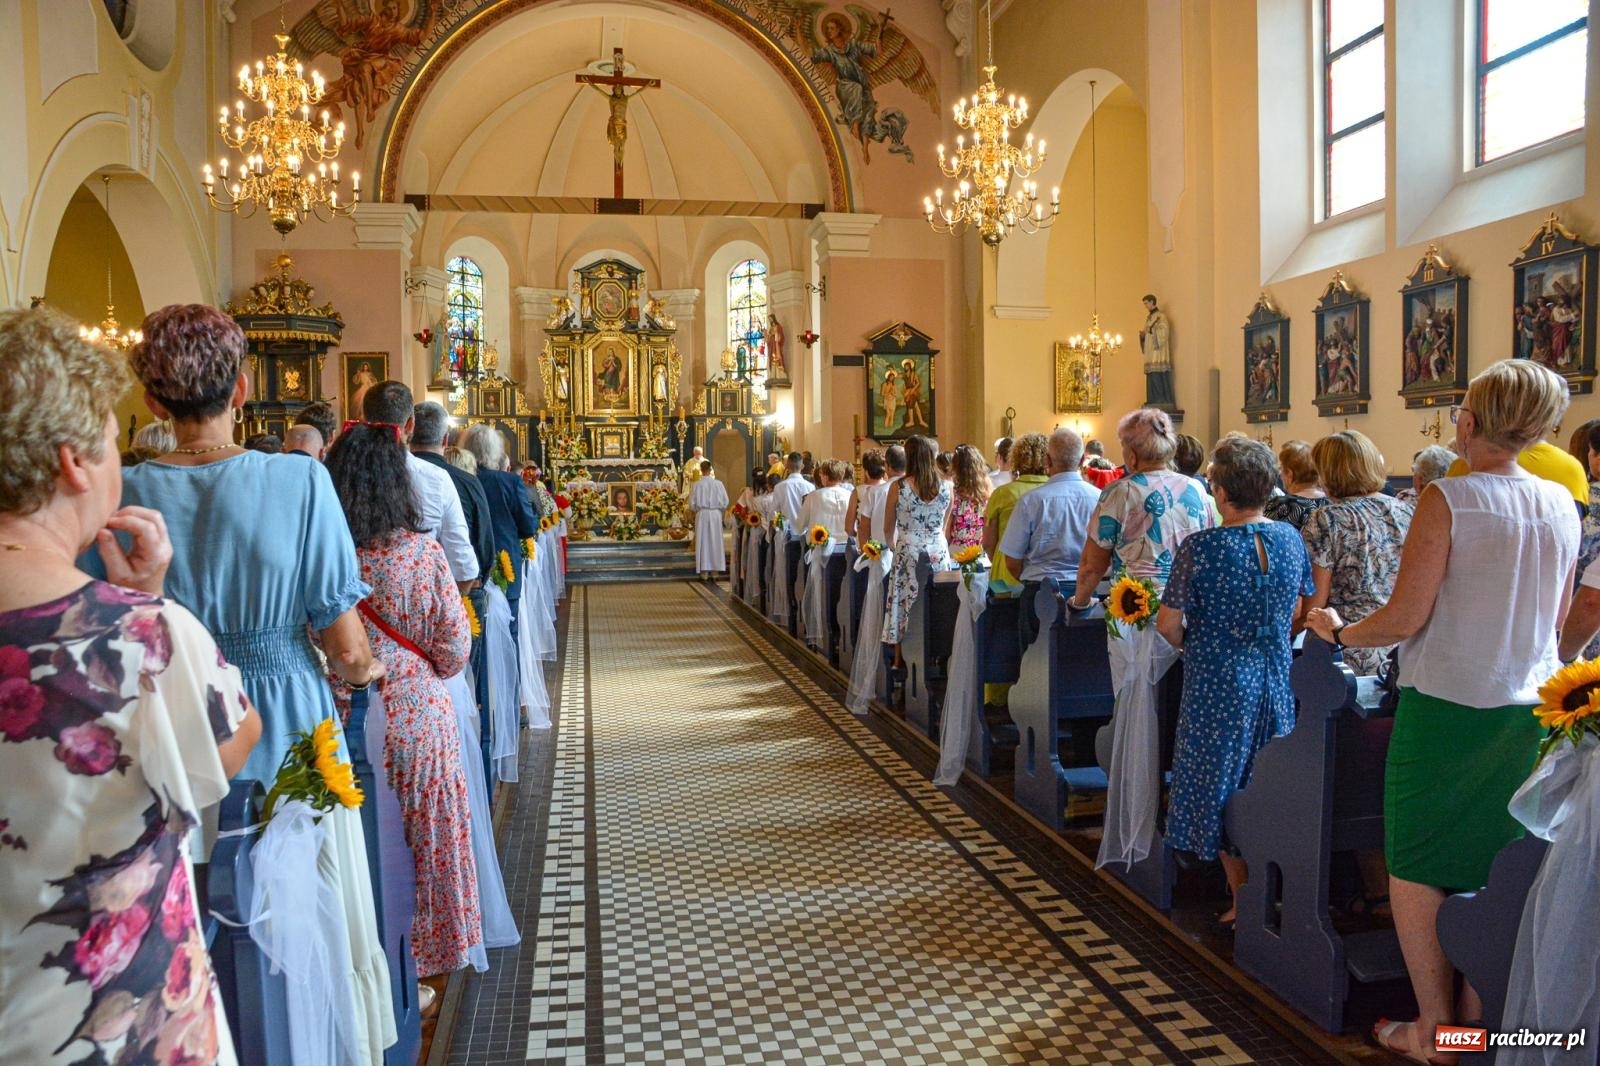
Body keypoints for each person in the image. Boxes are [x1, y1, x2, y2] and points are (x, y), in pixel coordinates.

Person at [95, 302, 395, 1052]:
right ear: (239, 393)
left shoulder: (120, 496)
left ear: (153, 401)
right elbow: (345, 643)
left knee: (186, 905)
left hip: (167, 723)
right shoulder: (298, 481)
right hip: (288, 716)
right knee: (303, 911)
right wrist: (365, 670)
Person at [0, 308, 262, 1066]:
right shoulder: (135, 637)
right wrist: (150, 597)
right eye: (113, 441)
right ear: (73, 463)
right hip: (110, 1016)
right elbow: (226, 751)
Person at [1307, 360, 1579, 1062]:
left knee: (1418, 860)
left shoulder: (1450, 499)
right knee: (1494, 864)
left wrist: (1337, 629)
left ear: (1471, 420)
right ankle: (1471, 1025)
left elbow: (1402, 616)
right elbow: (1553, 623)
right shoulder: (1560, 504)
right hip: (1528, 714)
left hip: (1447, 709)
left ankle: (1434, 1032)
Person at [324, 422, 482, 979]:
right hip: (416, 714)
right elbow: (454, 651)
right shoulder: (421, 554)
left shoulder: (325, 556)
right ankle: (427, 962)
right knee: (427, 838)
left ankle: (367, 966)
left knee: (361, 845)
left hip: (341, 718)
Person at [1155, 437, 1314, 926]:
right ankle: (1269, 888)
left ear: (1220, 492)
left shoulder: (1202, 547)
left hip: (1218, 681)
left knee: (1219, 782)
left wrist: (1197, 646)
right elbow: (1299, 609)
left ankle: (1245, 896)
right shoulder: (1290, 538)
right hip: (1276, 675)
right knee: (1266, 779)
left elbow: (1166, 623)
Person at [1297, 432, 1413, 677]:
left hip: (1345, 650)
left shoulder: (1329, 519)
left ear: (1328, 473)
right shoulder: (1407, 511)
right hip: (1401, 650)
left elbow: (1313, 607)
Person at [365, 382, 478, 591]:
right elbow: (464, 568)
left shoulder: (337, 472)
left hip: (353, 615)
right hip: (418, 605)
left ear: (364, 421)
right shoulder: (435, 479)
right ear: (410, 426)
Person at [999, 429, 1101, 642]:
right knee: (1085, 662)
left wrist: (1034, 579)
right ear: (1082, 459)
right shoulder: (1100, 498)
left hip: (1039, 592)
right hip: (1089, 591)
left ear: (1047, 459)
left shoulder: (1031, 501)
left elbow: (1012, 561)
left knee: (1034, 666)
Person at [460, 424, 538, 630]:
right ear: (495, 450)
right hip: (505, 565)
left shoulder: (461, 479)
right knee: (509, 631)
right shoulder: (509, 481)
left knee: (474, 633)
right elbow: (528, 526)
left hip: (471, 567)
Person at [881, 435, 952, 656]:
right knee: (938, 601)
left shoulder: (899, 486)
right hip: (937, 551)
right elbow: (944, 524)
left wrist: (894, 546)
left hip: (908, 550)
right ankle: (938, 655)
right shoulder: (947, 486)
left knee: (905, 604)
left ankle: (900, 659)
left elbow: (887, 527)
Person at [796, 459, 853, 646]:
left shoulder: (813, 497)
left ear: (825, 476)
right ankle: (839, 634)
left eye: (821, 474)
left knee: (823, 593)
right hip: (846, 553)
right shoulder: (850, 495)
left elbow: (799, 526)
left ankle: (823, 632)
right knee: (843, 592)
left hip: (823, 554)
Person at [1263, 439, 1328, 529]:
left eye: (1281, 469)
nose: (1280, 475)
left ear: (1290, 474)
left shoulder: (1279, 506)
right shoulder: (1331, 502)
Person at [945, 444, 991, 552]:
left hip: (957, 550)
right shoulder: (987, 491)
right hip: (980, 549)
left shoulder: (953, 492)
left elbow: (947, 527)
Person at [689, 460, 729, 578]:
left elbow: (692, 503)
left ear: (701, 470)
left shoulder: (696, 485)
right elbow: (725, 501)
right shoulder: (719, 484)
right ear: (711, 469)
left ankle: (704, 571)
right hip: (716, 514)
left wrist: (698, 509)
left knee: (703, 541)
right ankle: (715, 570)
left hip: (702, 514)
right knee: (715, 540)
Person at [846, 448, 888, 545]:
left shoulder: (858, 491)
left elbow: (849, 527)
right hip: (887, 544)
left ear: (866, 470)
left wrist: (858, 538)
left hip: (865, 545)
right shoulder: (890, 489)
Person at [770, 451, 814, 529]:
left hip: (785, 532)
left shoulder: (779, 487)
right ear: (802, 466)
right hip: (803, 532)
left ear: (787, 466)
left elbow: (774, 512)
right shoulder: (810, 487)